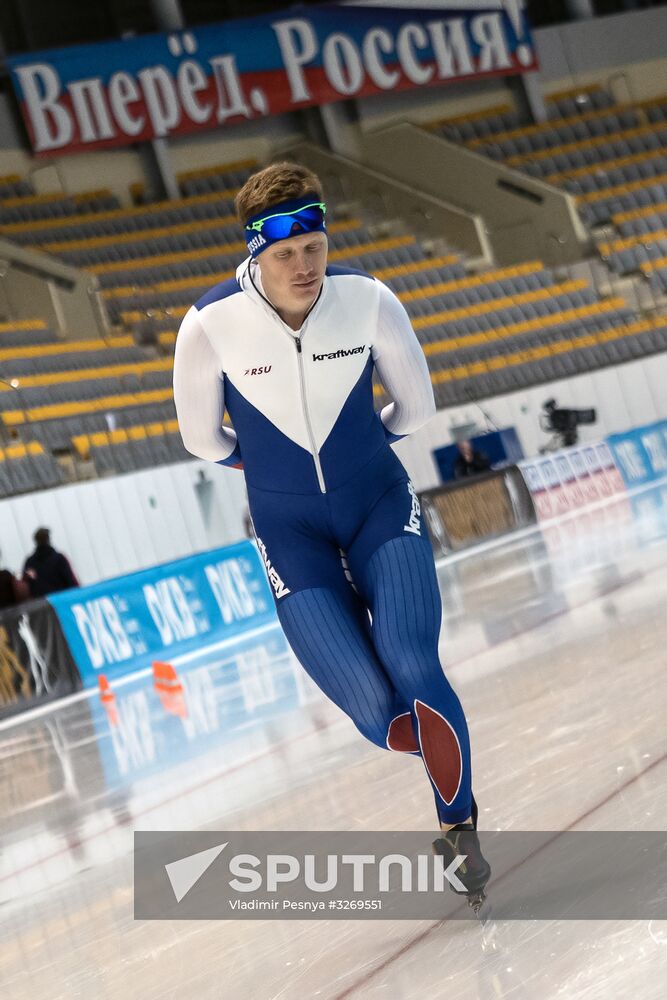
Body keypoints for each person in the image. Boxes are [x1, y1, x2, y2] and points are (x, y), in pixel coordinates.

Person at [173, 162, 490, 904]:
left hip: (377, 503)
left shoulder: (369, 300)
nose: (304, 266)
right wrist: (268, 467)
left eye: (313, 247)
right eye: (285, 253)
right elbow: (200, 439)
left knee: (412, 660)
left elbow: (415, 409)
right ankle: (443, 766)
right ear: (256, 252)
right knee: (376, 713)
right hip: (291, 533)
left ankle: (459, 827)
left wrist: (362, 452)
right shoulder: (209, 324)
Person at [23, 528, 79, 598]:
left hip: (41, 602)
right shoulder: (59, 559)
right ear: (48, 539)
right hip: (61, 599)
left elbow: (27, 585)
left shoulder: (30, 563)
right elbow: (71, 581)